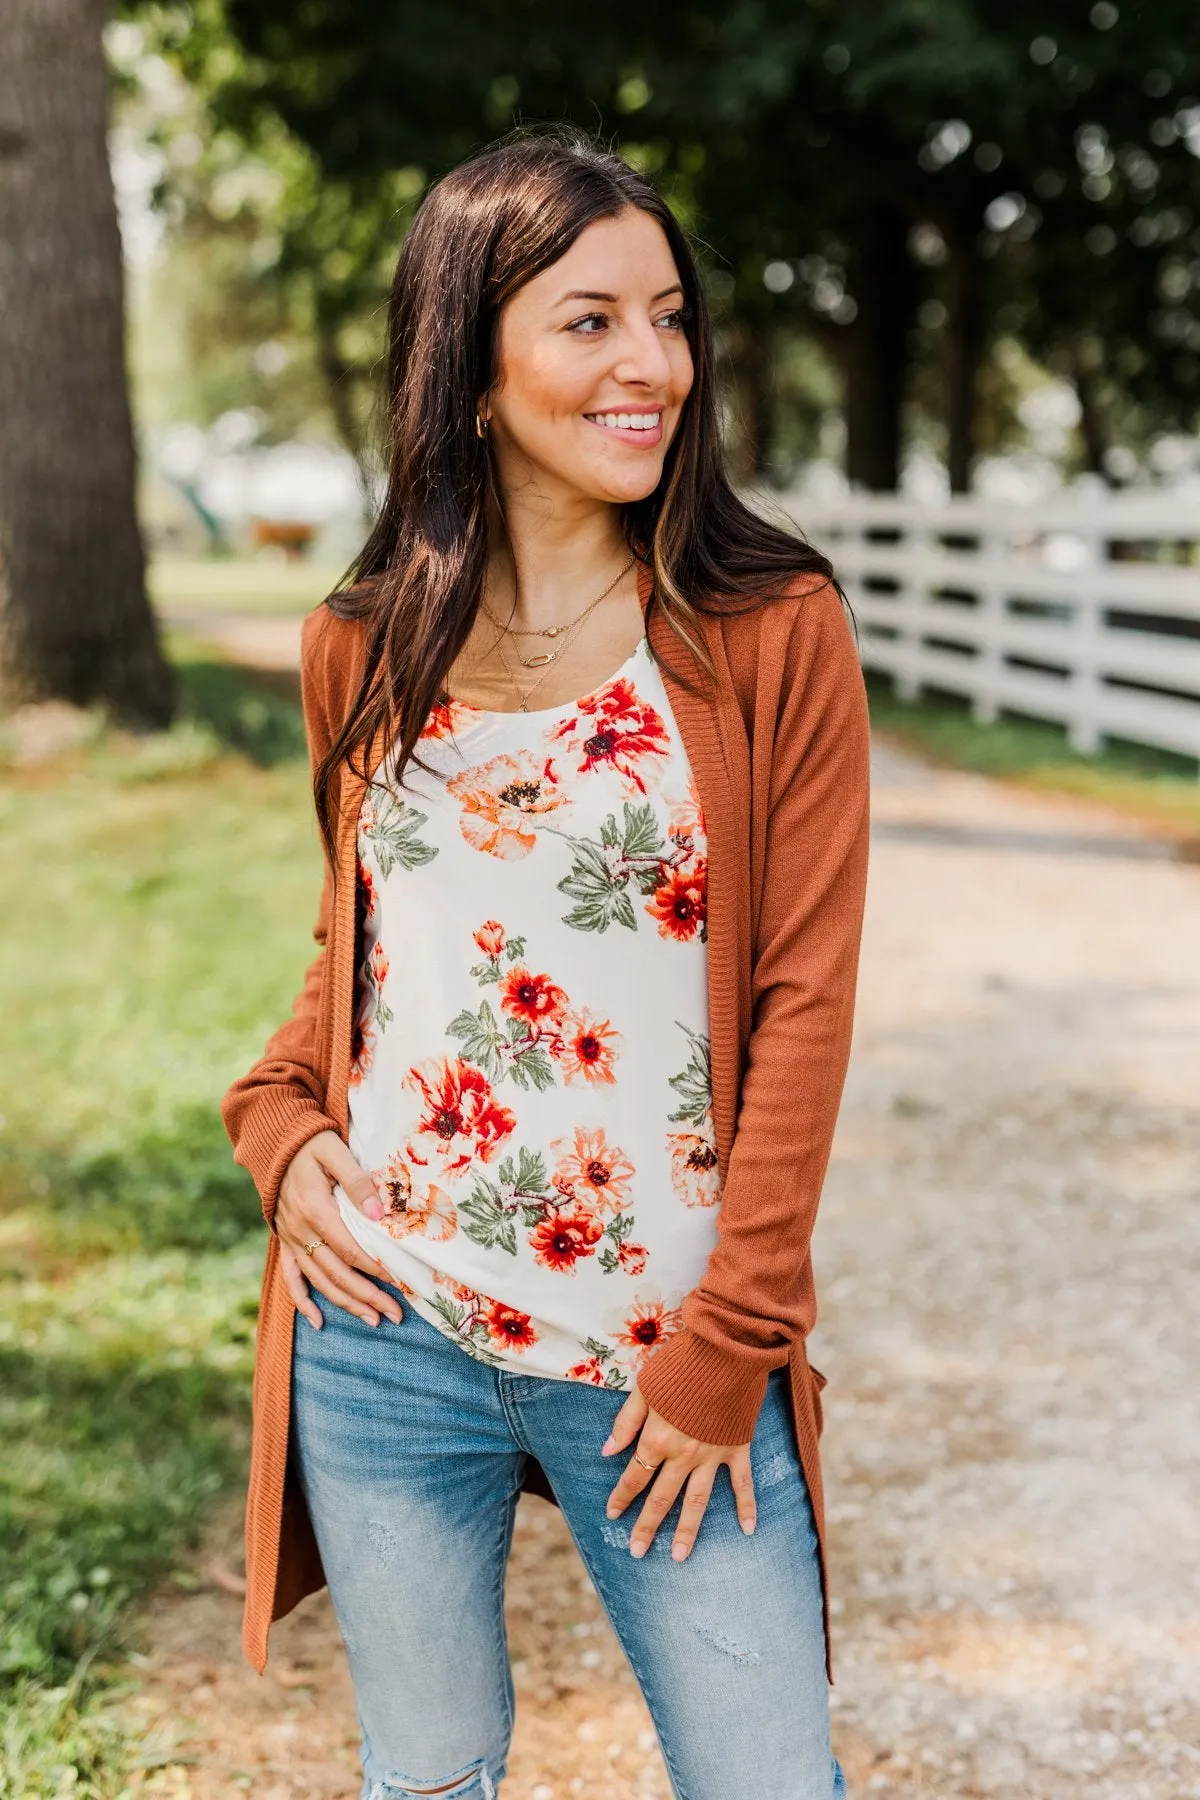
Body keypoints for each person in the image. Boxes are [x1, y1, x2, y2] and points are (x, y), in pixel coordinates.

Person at [222, 126, 870, 1800]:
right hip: (388, 1328)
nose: (649, 362)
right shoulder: (361, 642)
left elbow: (805, 999)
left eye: (668, 316)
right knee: (425, 1776)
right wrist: (281, 1127)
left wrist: (738, 1337)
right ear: (473, 346)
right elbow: (361, 962)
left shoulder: (765, 628)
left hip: (665, 1351)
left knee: (765, 1781)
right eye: (589, 321)